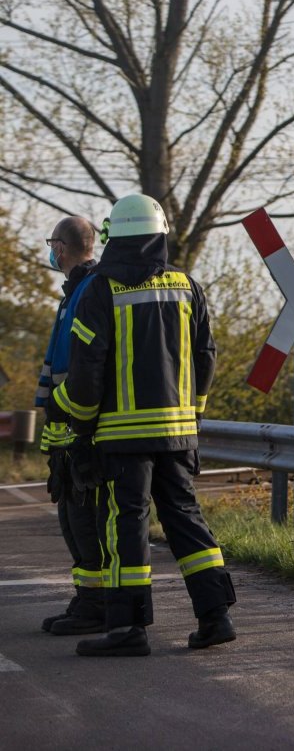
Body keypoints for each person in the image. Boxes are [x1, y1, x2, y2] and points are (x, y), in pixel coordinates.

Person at [53, 193, 236, 657]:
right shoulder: (186, 286)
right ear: (159, 237)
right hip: (177, 433)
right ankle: (215, 617)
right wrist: (192, 412)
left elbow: (87, 370)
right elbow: (206, 355)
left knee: (125, 525)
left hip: (121, 438)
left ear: (115, 238)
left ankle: (128, 629)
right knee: (186, 521)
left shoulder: (99, 290)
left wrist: (78, 427)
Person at [36, 216, 104, 635]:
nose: (50, 250)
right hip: (66, 427)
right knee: (71, 517)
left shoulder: (87, 291)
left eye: (51, 243)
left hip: (80, 428)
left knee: (82, 519)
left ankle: (94, 604)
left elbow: (81, 370)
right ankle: (87, 599)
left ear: (61, 247)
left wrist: (66, 416)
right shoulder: (75, 291)